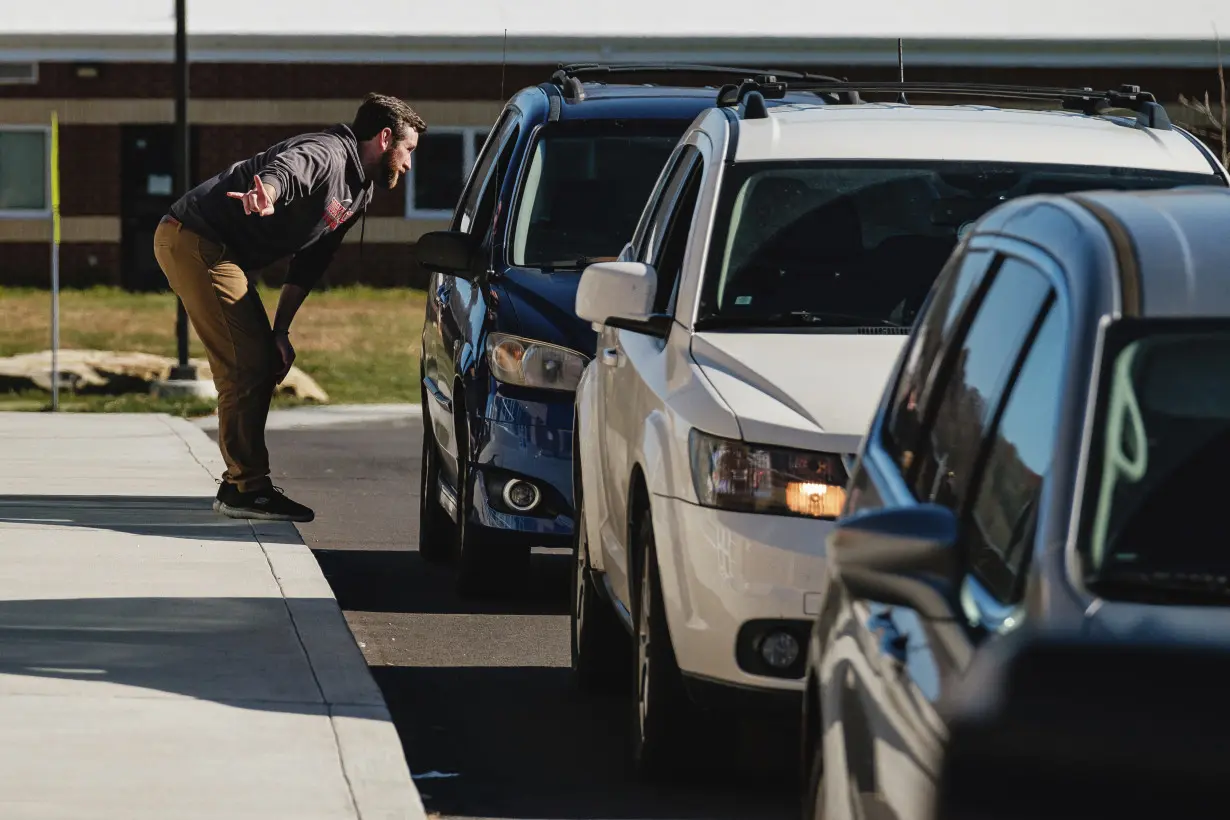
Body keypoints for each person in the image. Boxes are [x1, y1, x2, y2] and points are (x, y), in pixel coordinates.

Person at [153, 93, 427, 523]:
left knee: (258, 358)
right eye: (408, 150)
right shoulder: (328, 153)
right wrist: (269, 194)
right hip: (194, 238)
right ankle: (247, 487)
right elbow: (288, 171)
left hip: (216, 250)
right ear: (385, 137)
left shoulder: (361, 192)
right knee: (248, 362)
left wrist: (281, 330)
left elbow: (311, 261)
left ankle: (240, 482)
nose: (409, 164)